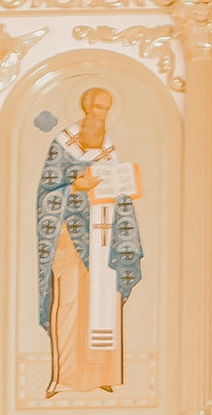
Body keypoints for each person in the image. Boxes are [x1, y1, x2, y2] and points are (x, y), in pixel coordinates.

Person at [36, 86, 144, 398]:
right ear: (86, 108)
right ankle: (64, 376)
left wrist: (125, 192)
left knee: (105, 304)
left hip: (106, 237)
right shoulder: (63, 145)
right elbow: (46, 193)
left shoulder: (109, 150)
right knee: (70, 303)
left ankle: (103, 374)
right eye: (97, 109)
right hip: (70, 239)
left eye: (106, 110)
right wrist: (75, 188)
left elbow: (119, 192)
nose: (101, 116)